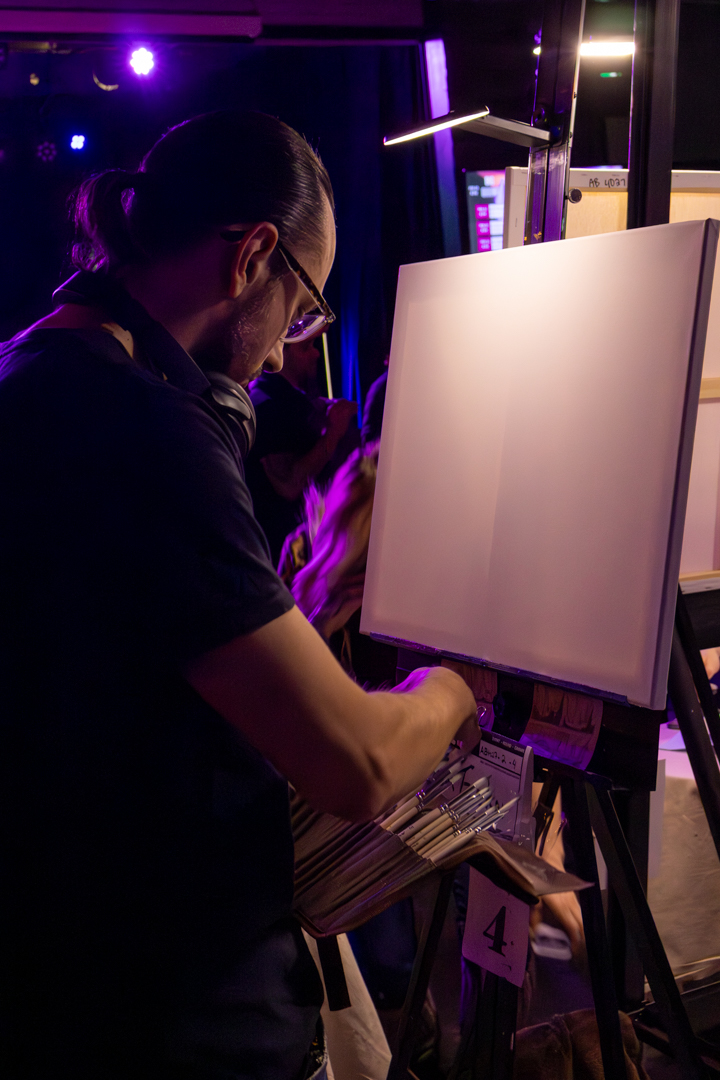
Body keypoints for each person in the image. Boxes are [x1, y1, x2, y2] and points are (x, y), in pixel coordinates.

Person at [0, 110, 477, 1080]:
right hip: (170, 1016)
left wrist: (303, 592)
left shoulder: (37, 370)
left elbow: (131, 665)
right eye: (299, 312)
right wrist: (459, 683)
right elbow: (356, 764)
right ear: (253, 255)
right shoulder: (146, 430)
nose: (275, 360)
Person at [246, 333, 357, 564]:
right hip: (285, 557)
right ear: (280, 353)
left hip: (302, 550)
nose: (316, 353)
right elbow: (289, 484)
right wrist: (333, 433)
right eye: (307, 347)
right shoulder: (267, 406)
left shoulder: (289, 401)